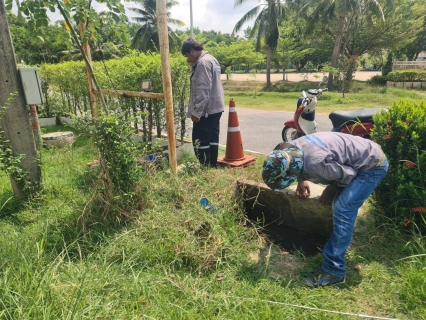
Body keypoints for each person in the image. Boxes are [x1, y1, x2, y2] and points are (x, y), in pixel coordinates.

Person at [262, 132, 388, 287]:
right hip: (360, 156)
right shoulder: (292, 150)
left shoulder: (316, 164)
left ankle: (334, 271)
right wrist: (302, 181)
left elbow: (349, 175)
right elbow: (297, 163)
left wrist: (331, 189)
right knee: (342, 209)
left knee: (343, 210)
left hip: (371, 166)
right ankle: (340, 243)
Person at [181, 38, 224, 168]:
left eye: (188, 55)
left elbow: (203, 90)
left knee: (200, 139)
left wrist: (197, 112)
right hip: (216, 108)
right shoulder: (212, 59)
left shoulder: (202, 64)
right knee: (212, 139)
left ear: (192, 50)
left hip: (206, 110)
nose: (188, 58)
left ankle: (205, 168)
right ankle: (212, 167)